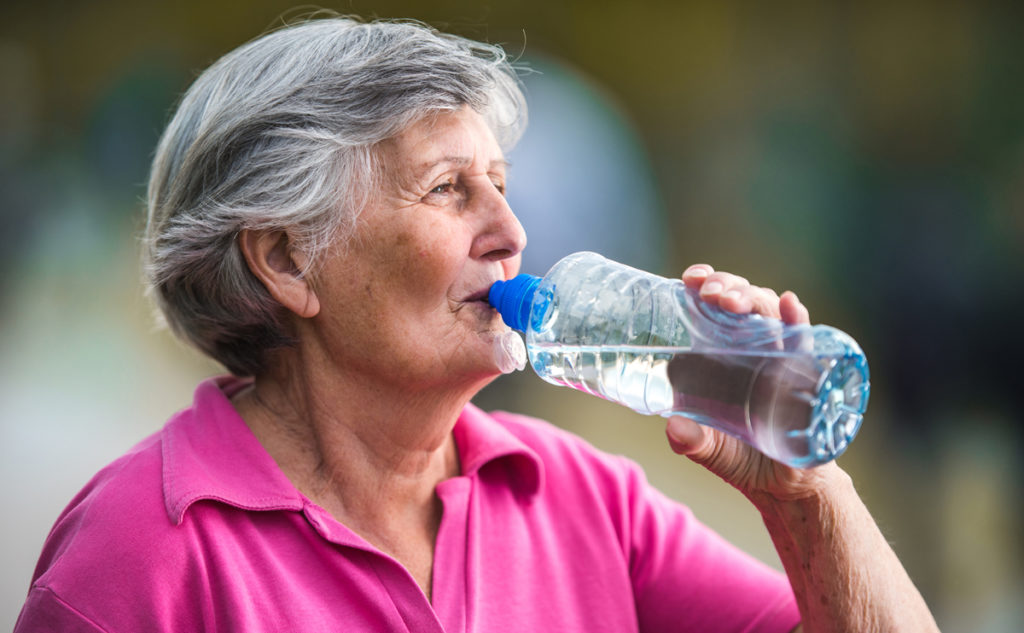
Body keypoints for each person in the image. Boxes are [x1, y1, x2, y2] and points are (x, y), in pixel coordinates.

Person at [15, 16, 939, 633]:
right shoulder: (143, 551)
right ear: (290, 260)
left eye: (499, 183)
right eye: (449, 189)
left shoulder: (584, 501)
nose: (513, 232)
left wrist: (805, 496)